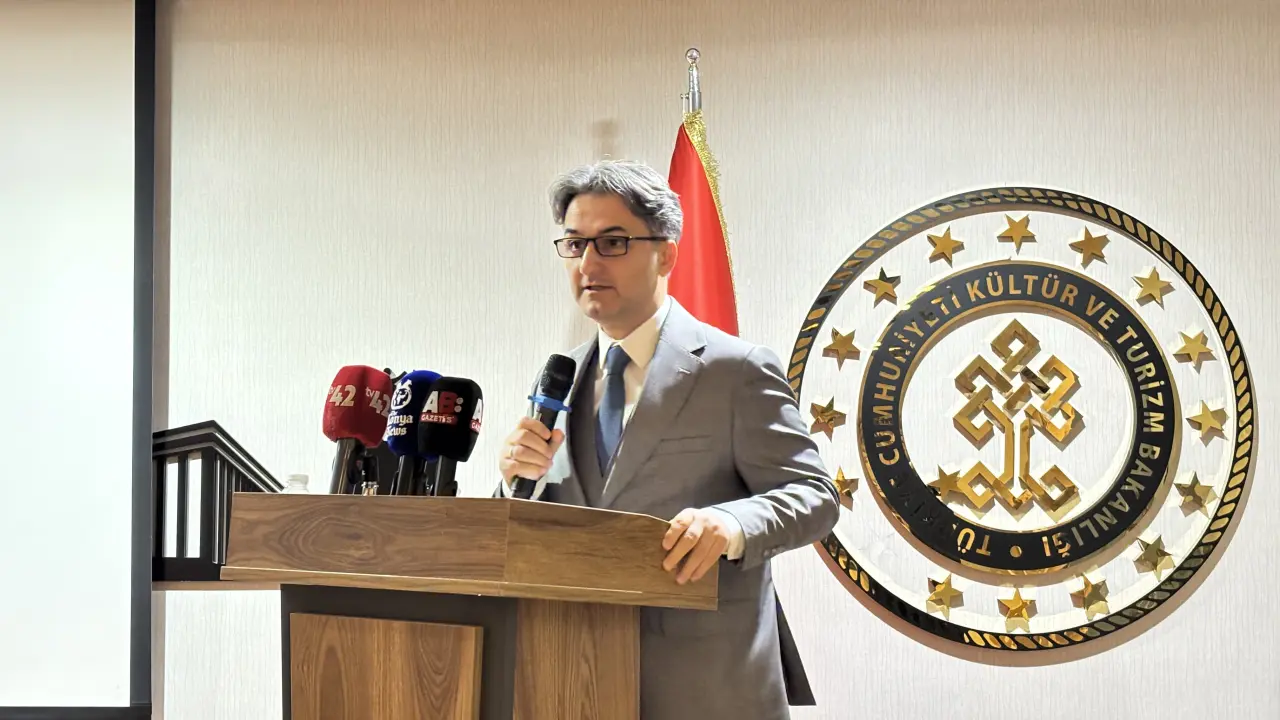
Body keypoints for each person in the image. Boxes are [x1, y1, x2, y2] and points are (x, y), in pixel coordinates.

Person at [496, 159, 840, 720]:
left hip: (707, 688)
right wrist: (516, 480)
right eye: (575, 244)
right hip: (575, 681)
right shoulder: (561, 377)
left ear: (667, 254)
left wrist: (732, 524)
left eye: (612, 242)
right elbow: (532, 529)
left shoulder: (735, 369)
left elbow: (814, 496)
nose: (587, 264)